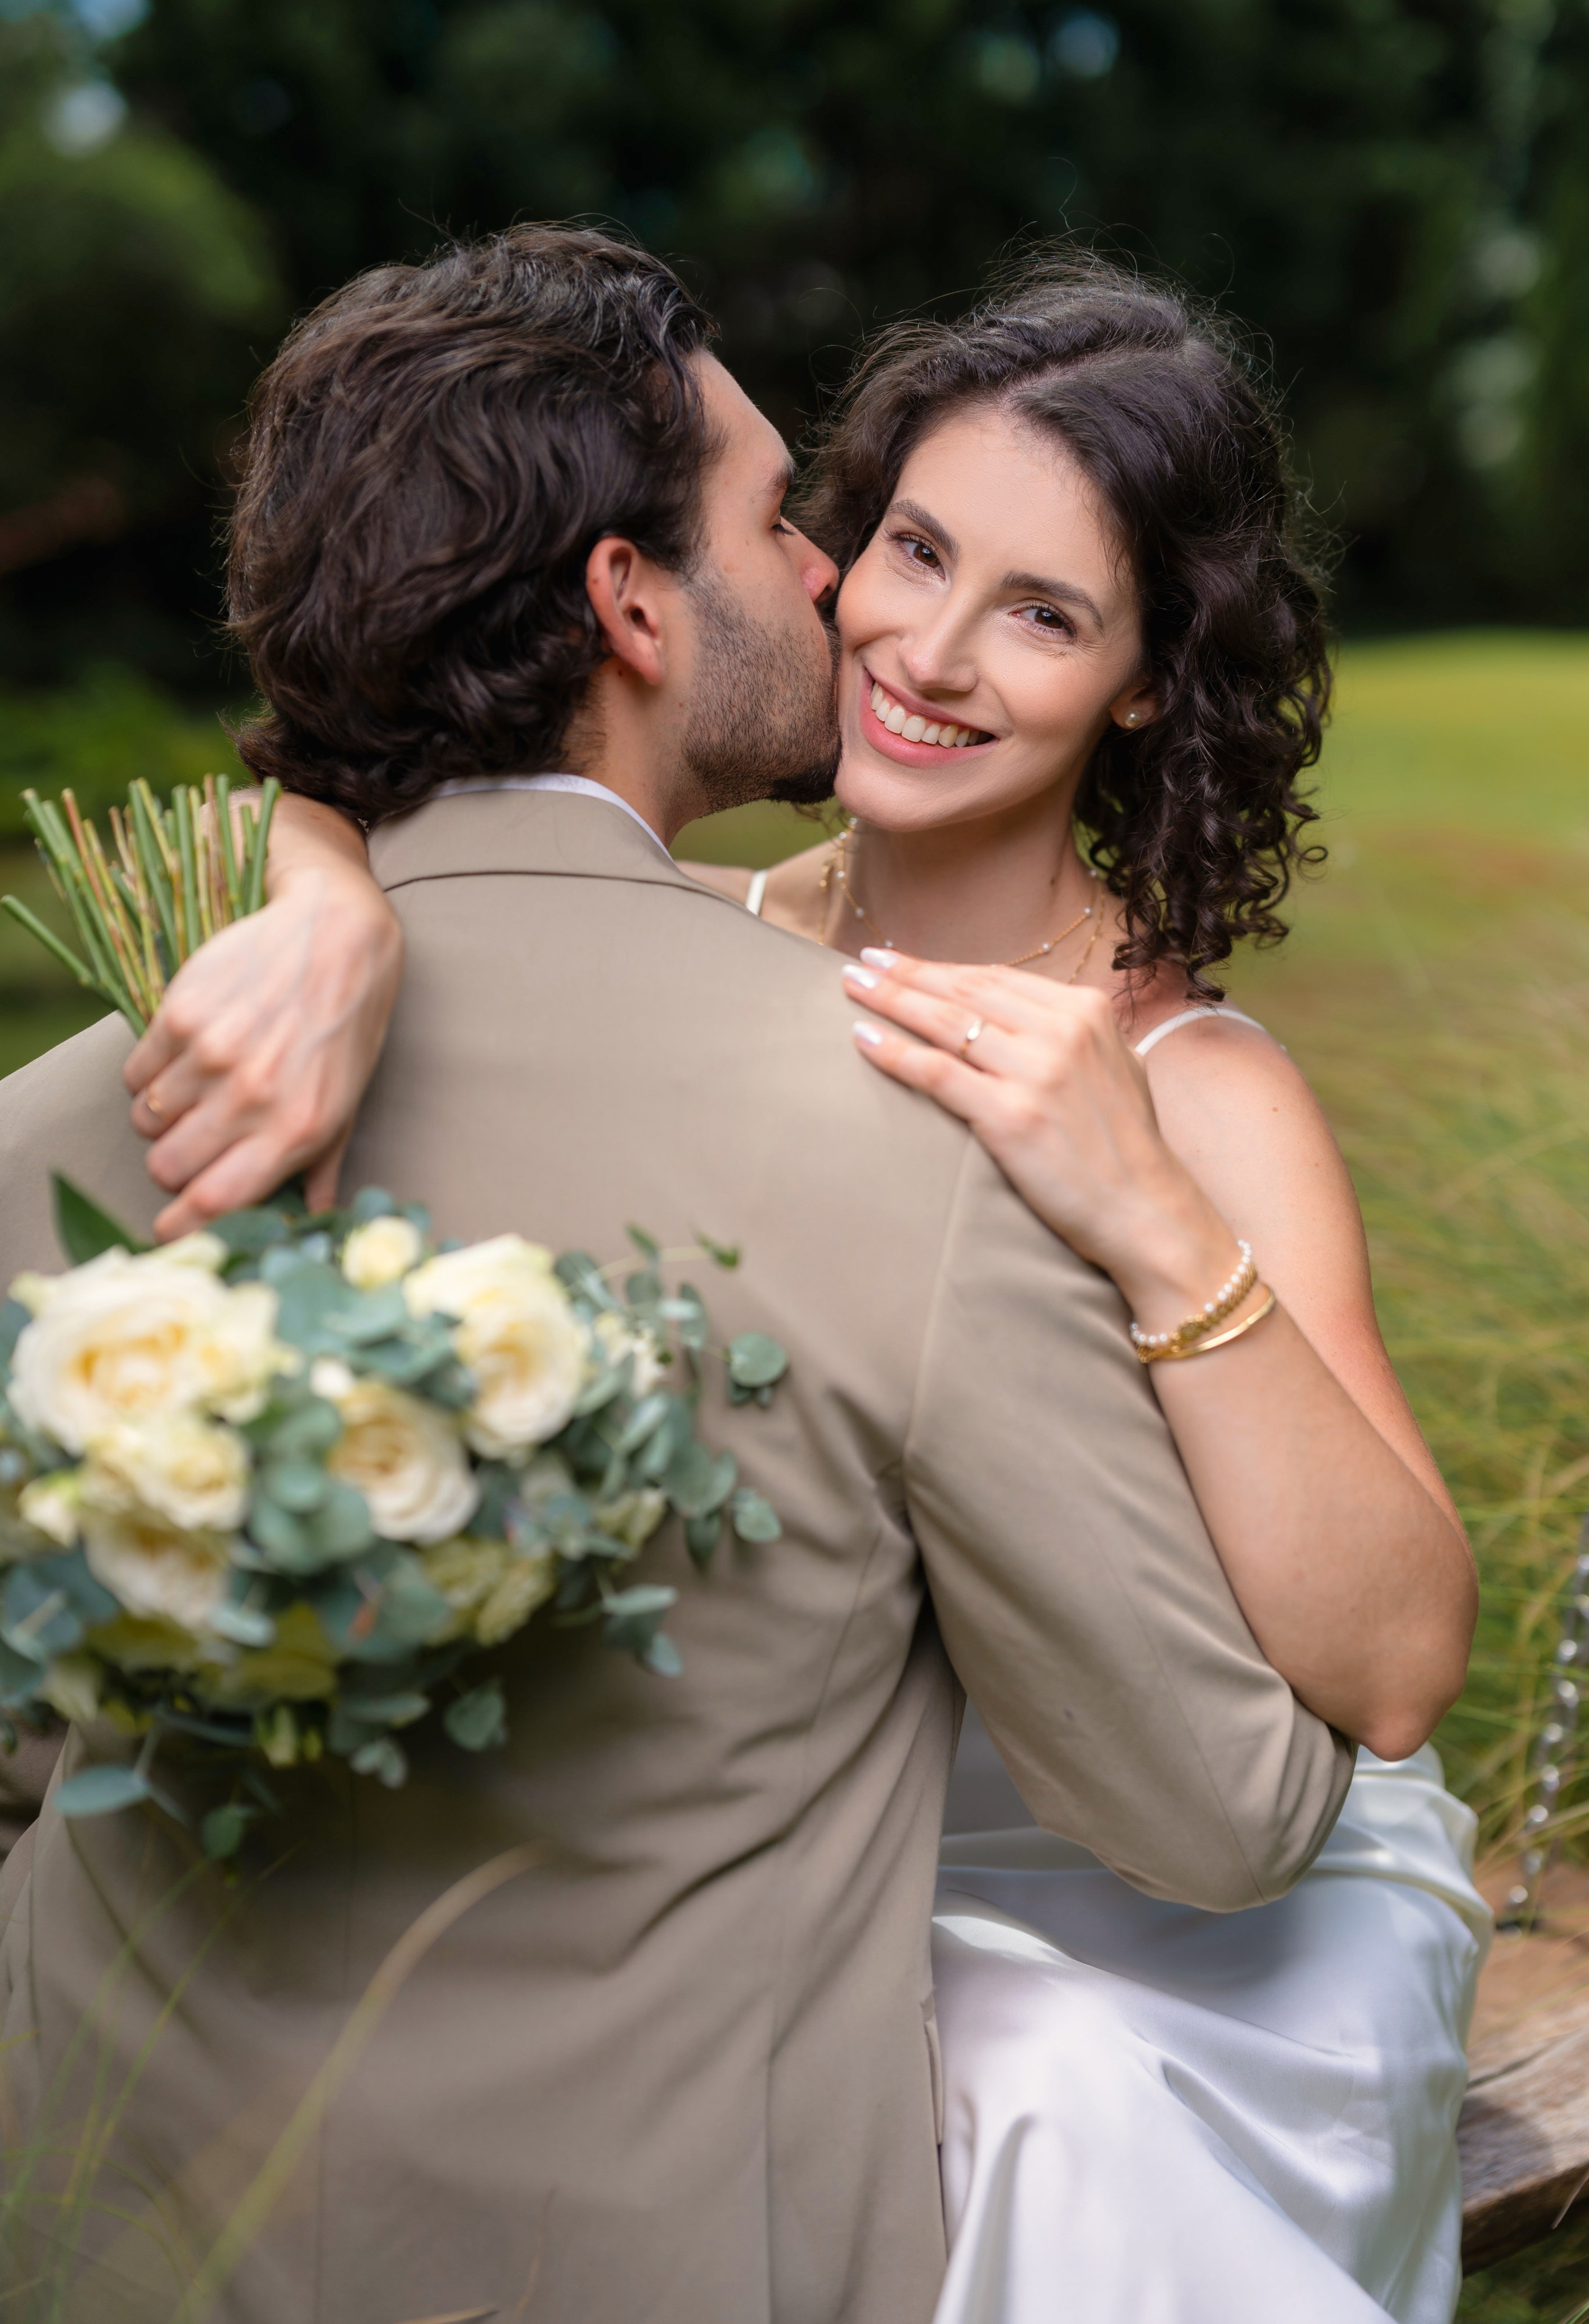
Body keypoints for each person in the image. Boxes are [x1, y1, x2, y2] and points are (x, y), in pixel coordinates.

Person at [0, 229, 1353, 2324]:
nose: (829, 579)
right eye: (775, 521)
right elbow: (1226, 1806)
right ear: (629, 603)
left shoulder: (74, 1115)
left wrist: (324, 855)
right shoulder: (914, 1122)